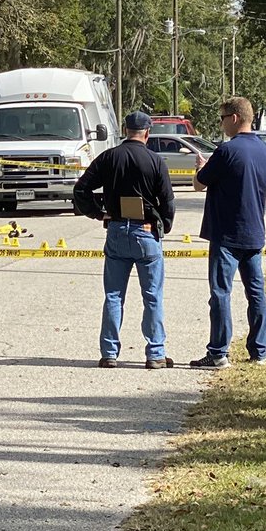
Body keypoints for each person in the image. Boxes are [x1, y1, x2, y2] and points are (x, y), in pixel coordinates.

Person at [73, 111, 176, 369]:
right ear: (147, 133)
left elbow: (81, 189)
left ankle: (109, 352)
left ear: (125, 130)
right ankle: (155, 353)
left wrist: (98, 212)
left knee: (114, 295)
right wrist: (164, 225)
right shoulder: (155, 160)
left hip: (117, 229)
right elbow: (168, 201)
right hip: (146, 231)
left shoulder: (109, 157)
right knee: (152, 296)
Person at [190, 96, 266, 369]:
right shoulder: (262, 150)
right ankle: (259, 350)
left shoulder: (226, 151)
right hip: (254, 232)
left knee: (221, 293)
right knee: (256, 293)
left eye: (222, 118)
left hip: (226, 233)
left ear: (234, 118)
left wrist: (201, 168)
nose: (222, 124)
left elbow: (199, 185)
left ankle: (218, 352)